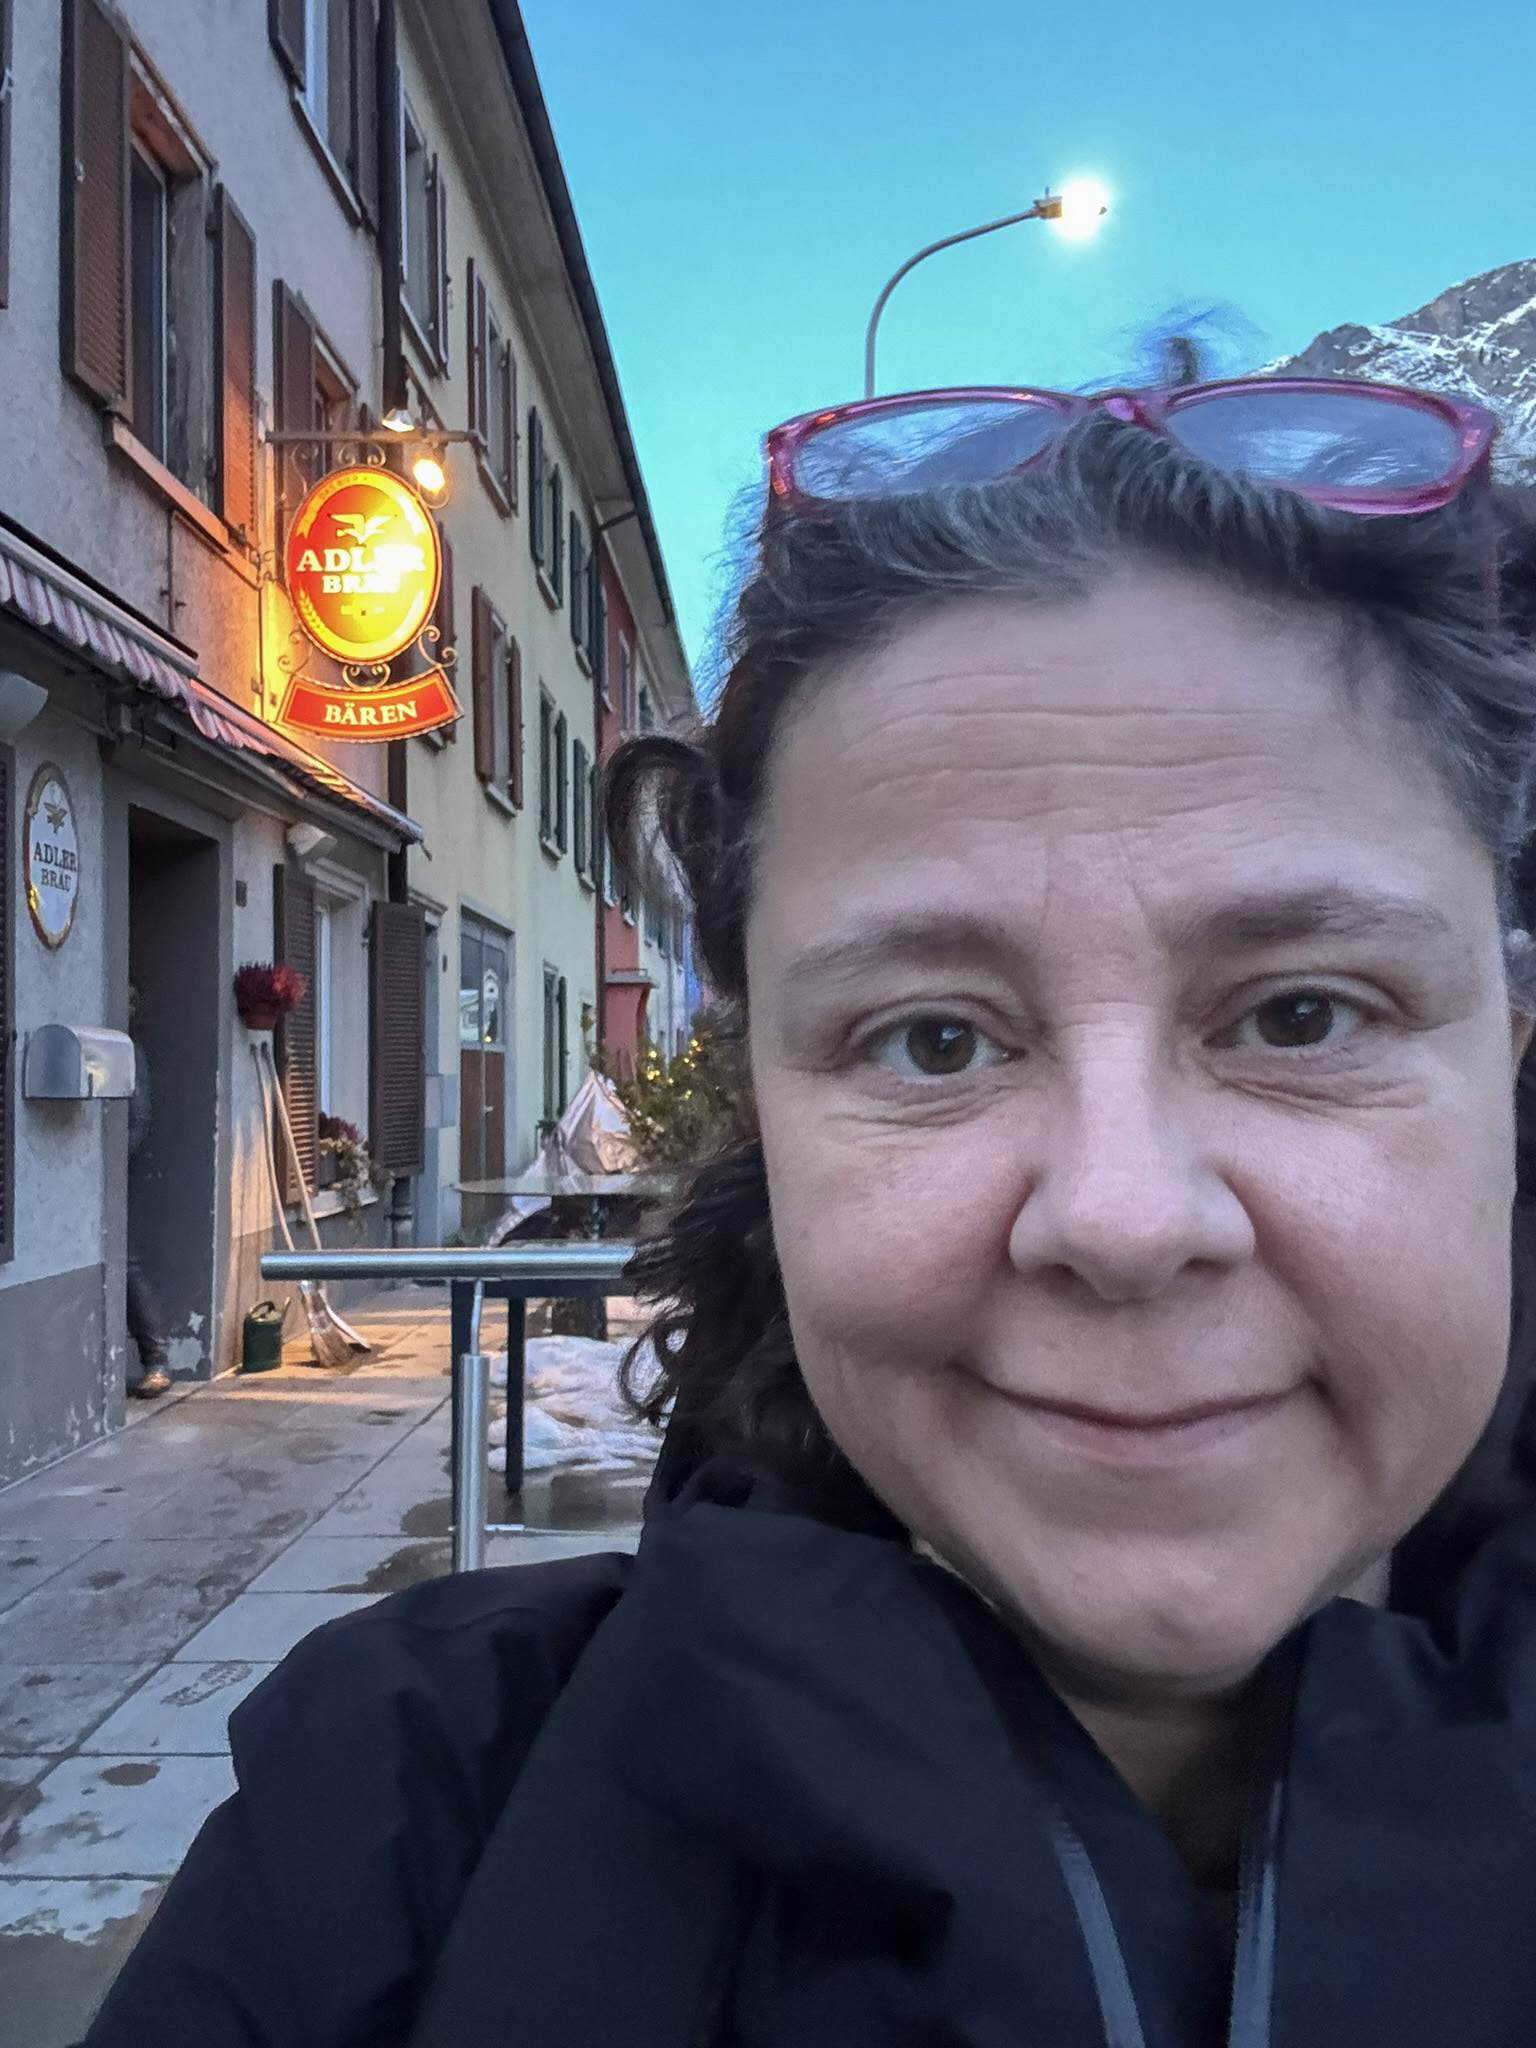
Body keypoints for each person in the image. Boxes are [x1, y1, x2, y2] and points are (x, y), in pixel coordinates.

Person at [81, 379, 1536, 2046]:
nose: (1124, 1217)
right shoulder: (393, 1831)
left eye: (1301, 1013)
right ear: (764, 1104)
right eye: (932, 1037)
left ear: (1505, 1065)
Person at [125, 982, 171, 1400]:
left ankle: (156, 1359)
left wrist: (114, 1159)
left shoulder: (131, 1053)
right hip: (111, 1174)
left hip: (128, 1174)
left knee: (128, 1264)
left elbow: (137, 1123)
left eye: (131, 1001)